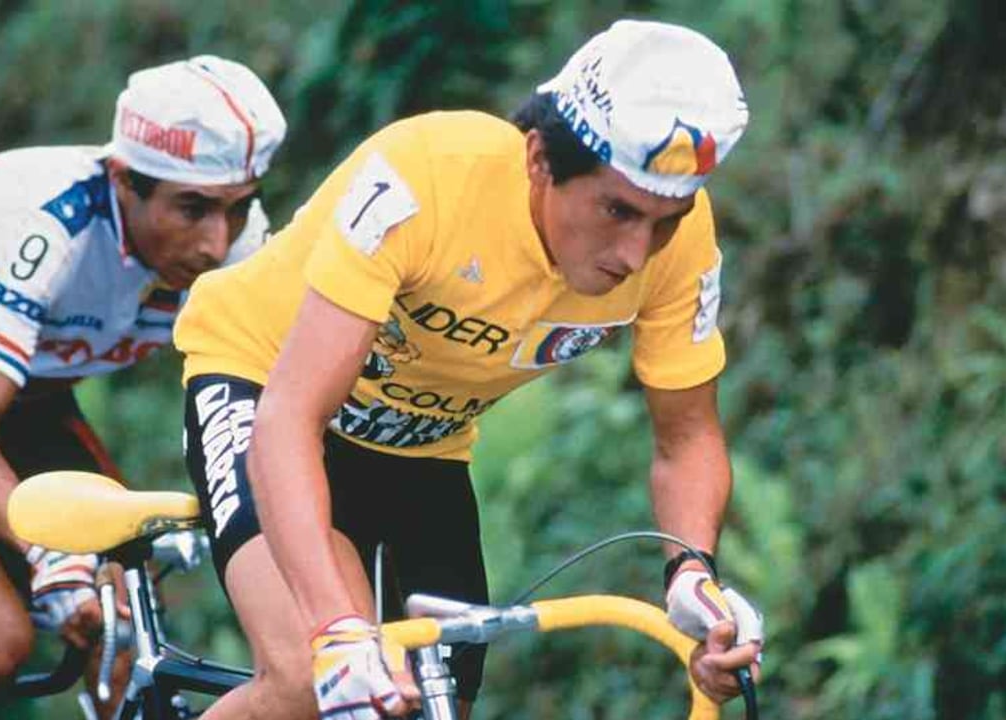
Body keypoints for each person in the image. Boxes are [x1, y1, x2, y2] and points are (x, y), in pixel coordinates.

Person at [174, 19, 762, 719]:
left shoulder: (680, 247)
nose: (637, 253)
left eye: (666, 220)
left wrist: (692, 573)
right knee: (312, 678)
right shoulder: (425, 179)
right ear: (540, 158)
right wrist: (338, 631)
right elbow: (290, 419)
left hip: (423, 443)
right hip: (265, 387)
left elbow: (688, 437)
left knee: (432, 702)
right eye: (617, 210)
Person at [0, 55, 286, 719]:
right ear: (121, 180)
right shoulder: (40, 222)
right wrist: (50, 554)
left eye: (237, 208)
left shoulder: (240, 241)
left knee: (124, 631)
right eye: (192, 209)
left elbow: (269, 399)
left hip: (24, 401)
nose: (215, 243)